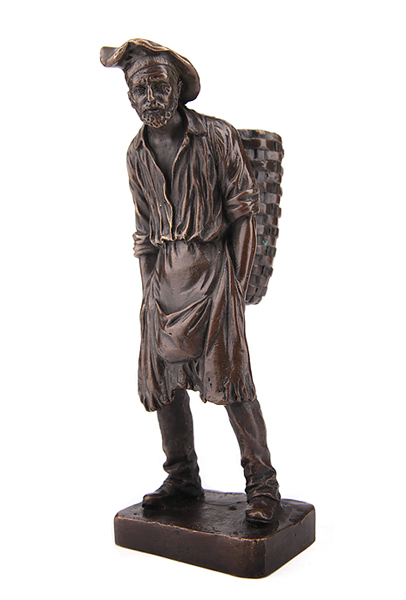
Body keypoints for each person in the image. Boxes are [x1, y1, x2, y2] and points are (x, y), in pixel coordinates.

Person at [101, 39, 281, 524]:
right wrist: (147, 292)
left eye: (159, 87)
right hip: (164, 281)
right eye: (139, 90)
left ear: (179, 88)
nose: (150, 98)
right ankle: (182, 476)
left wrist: (236, 284)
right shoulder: (136, 152)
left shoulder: (215, 136)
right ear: (129, 96)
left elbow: (244, 213)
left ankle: (262, 484)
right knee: (164, 384)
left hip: (214, 273)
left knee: (233, 383)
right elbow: (144, 233)